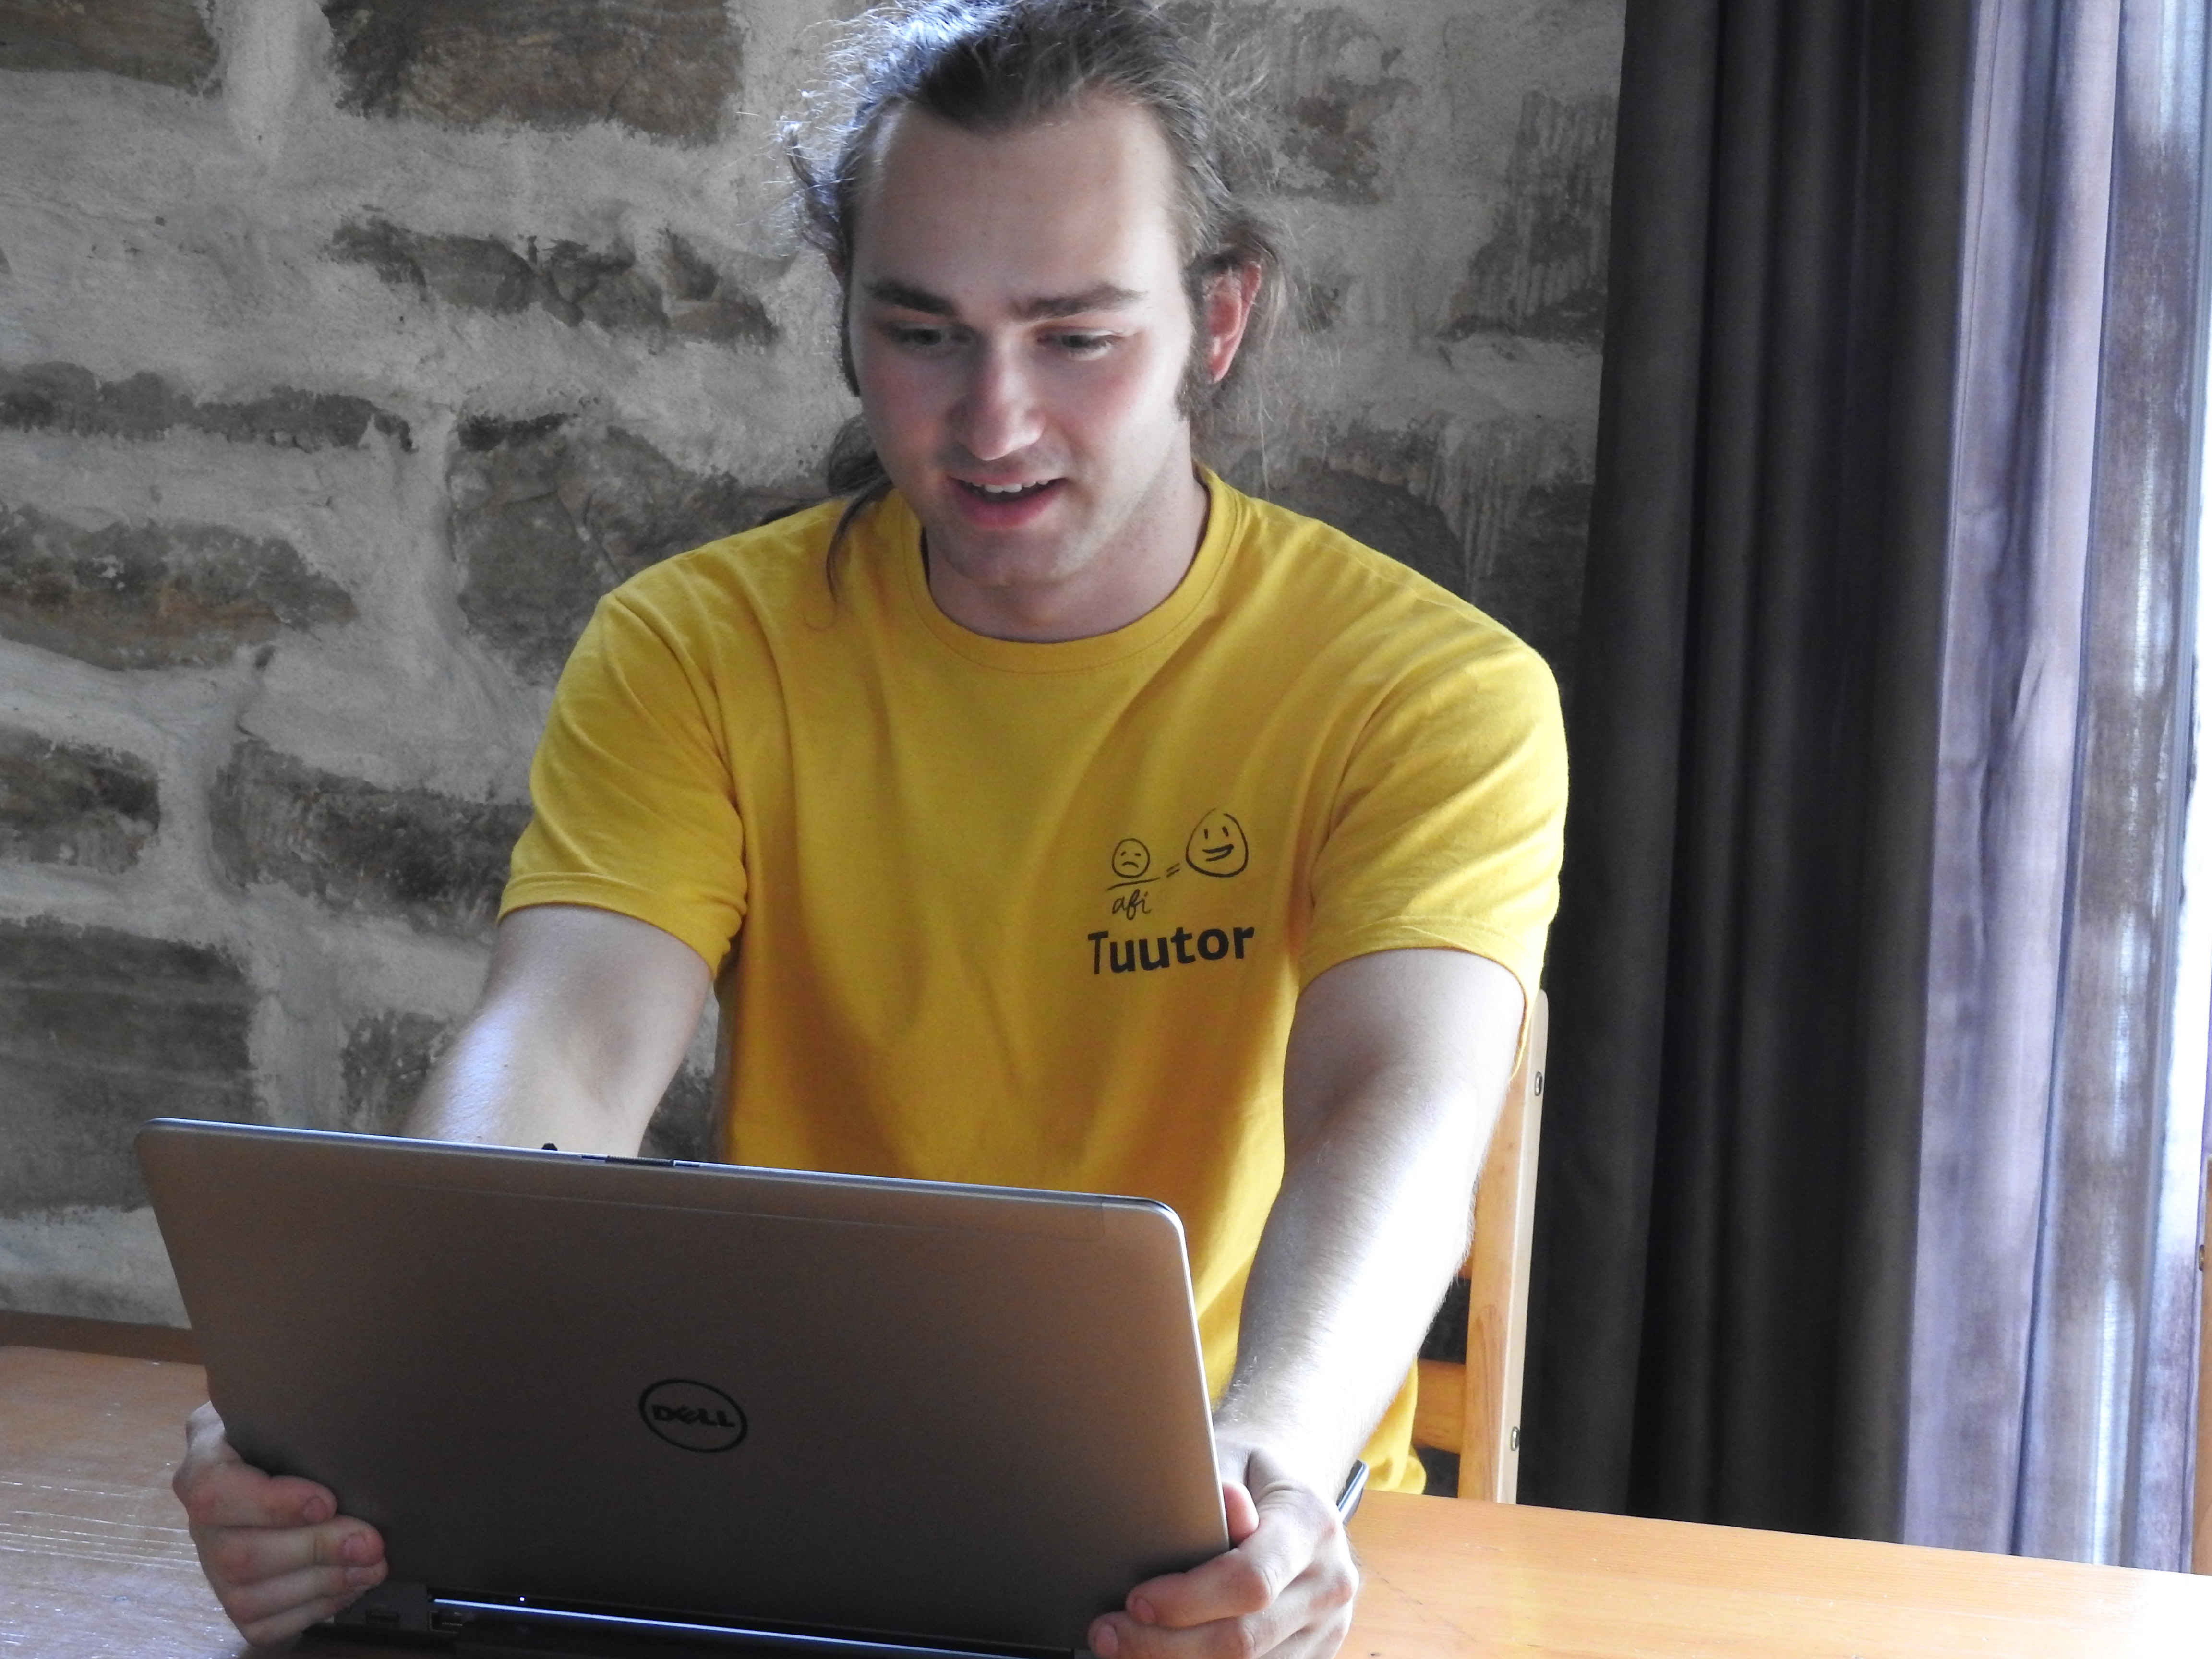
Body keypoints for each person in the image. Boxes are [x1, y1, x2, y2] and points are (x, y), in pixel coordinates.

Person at [170, 0, 1567, 1652]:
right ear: (846, 320)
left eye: (1076, 338)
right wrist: (370, 1415)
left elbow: (1392, 1116)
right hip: (780, 1506)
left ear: (1218, 317)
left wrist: (1277, 1470)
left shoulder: (1430, 691)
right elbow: (561, 1049)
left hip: (1211, 1528)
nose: (994, 423)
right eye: (922, 333)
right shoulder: (697, 647)